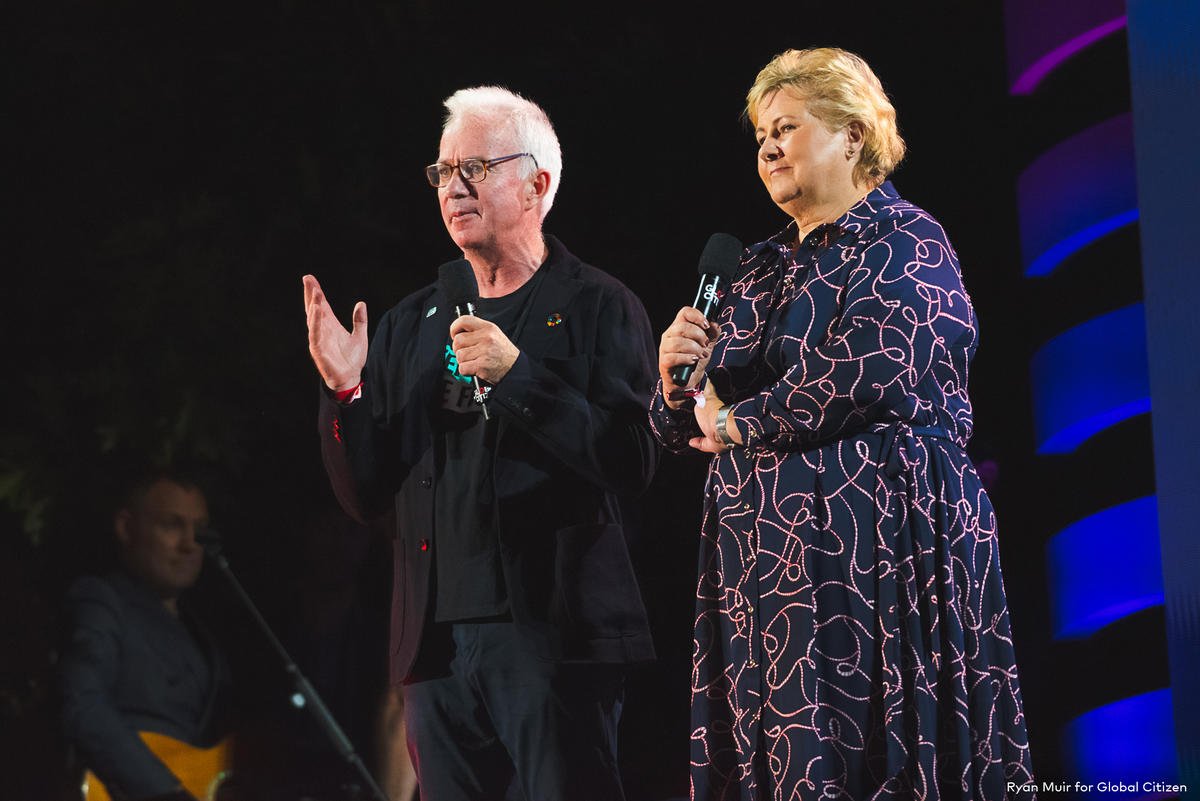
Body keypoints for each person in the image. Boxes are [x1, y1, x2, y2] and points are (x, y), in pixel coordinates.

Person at [651, 48, 1035, 799]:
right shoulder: (754, 267)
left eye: (786, 126)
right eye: (761, 131)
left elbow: (866, 372)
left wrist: (735, 421)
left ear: (851, 136)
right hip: (765, 563)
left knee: (877, 755)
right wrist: (673, 384)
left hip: (882, 538)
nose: (767, 146)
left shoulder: (908, 241)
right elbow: (687, 423)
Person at [302, 85, 658, 801]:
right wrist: (346, 393)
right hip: (436, 646)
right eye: (443, 171)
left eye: (477, 168)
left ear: (538, 183)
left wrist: (519, 377)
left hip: (553, 640)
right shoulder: (412, 322)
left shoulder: (597, 305)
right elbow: (365, 490)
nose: (454, 187)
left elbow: (633, 460)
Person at [59, 471, 231, 801]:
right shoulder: (103, 600)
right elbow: (82, 702)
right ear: (126, 527)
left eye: (200, 529)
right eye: (172, 525)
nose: (190, 544)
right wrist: (165, 792)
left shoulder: (200, 632)